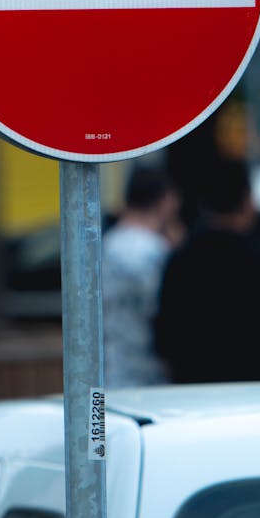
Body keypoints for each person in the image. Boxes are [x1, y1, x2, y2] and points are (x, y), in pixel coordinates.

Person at [154, 155, 260, 384]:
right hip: (250, 390)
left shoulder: (183, 257)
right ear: (246, 201)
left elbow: (166, 335)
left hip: (193, 390)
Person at [102, 166, 181, 387]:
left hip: (111, 369)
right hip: (151, 375)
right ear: (165, 202)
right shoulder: (156, 253)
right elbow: (167, 314)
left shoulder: (105, 246)